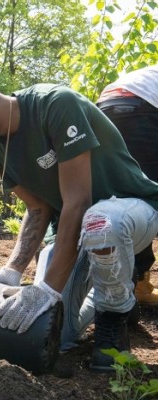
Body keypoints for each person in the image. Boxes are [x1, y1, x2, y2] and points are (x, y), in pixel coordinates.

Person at [0, 67, 158, 371]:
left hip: (130, 210)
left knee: (99, 223)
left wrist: (48, 289)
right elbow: (38, 209)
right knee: (49, 333)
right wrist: (12, 269)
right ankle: (116, 289)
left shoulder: (55, 105)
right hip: (76, 230)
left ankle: (114, 316)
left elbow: (78, 201)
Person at [97, 65, 158, 305]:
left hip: (106, 107)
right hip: (142, 108)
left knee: (130, 193)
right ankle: (135, 284)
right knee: (148, 195)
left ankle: (138, 281)